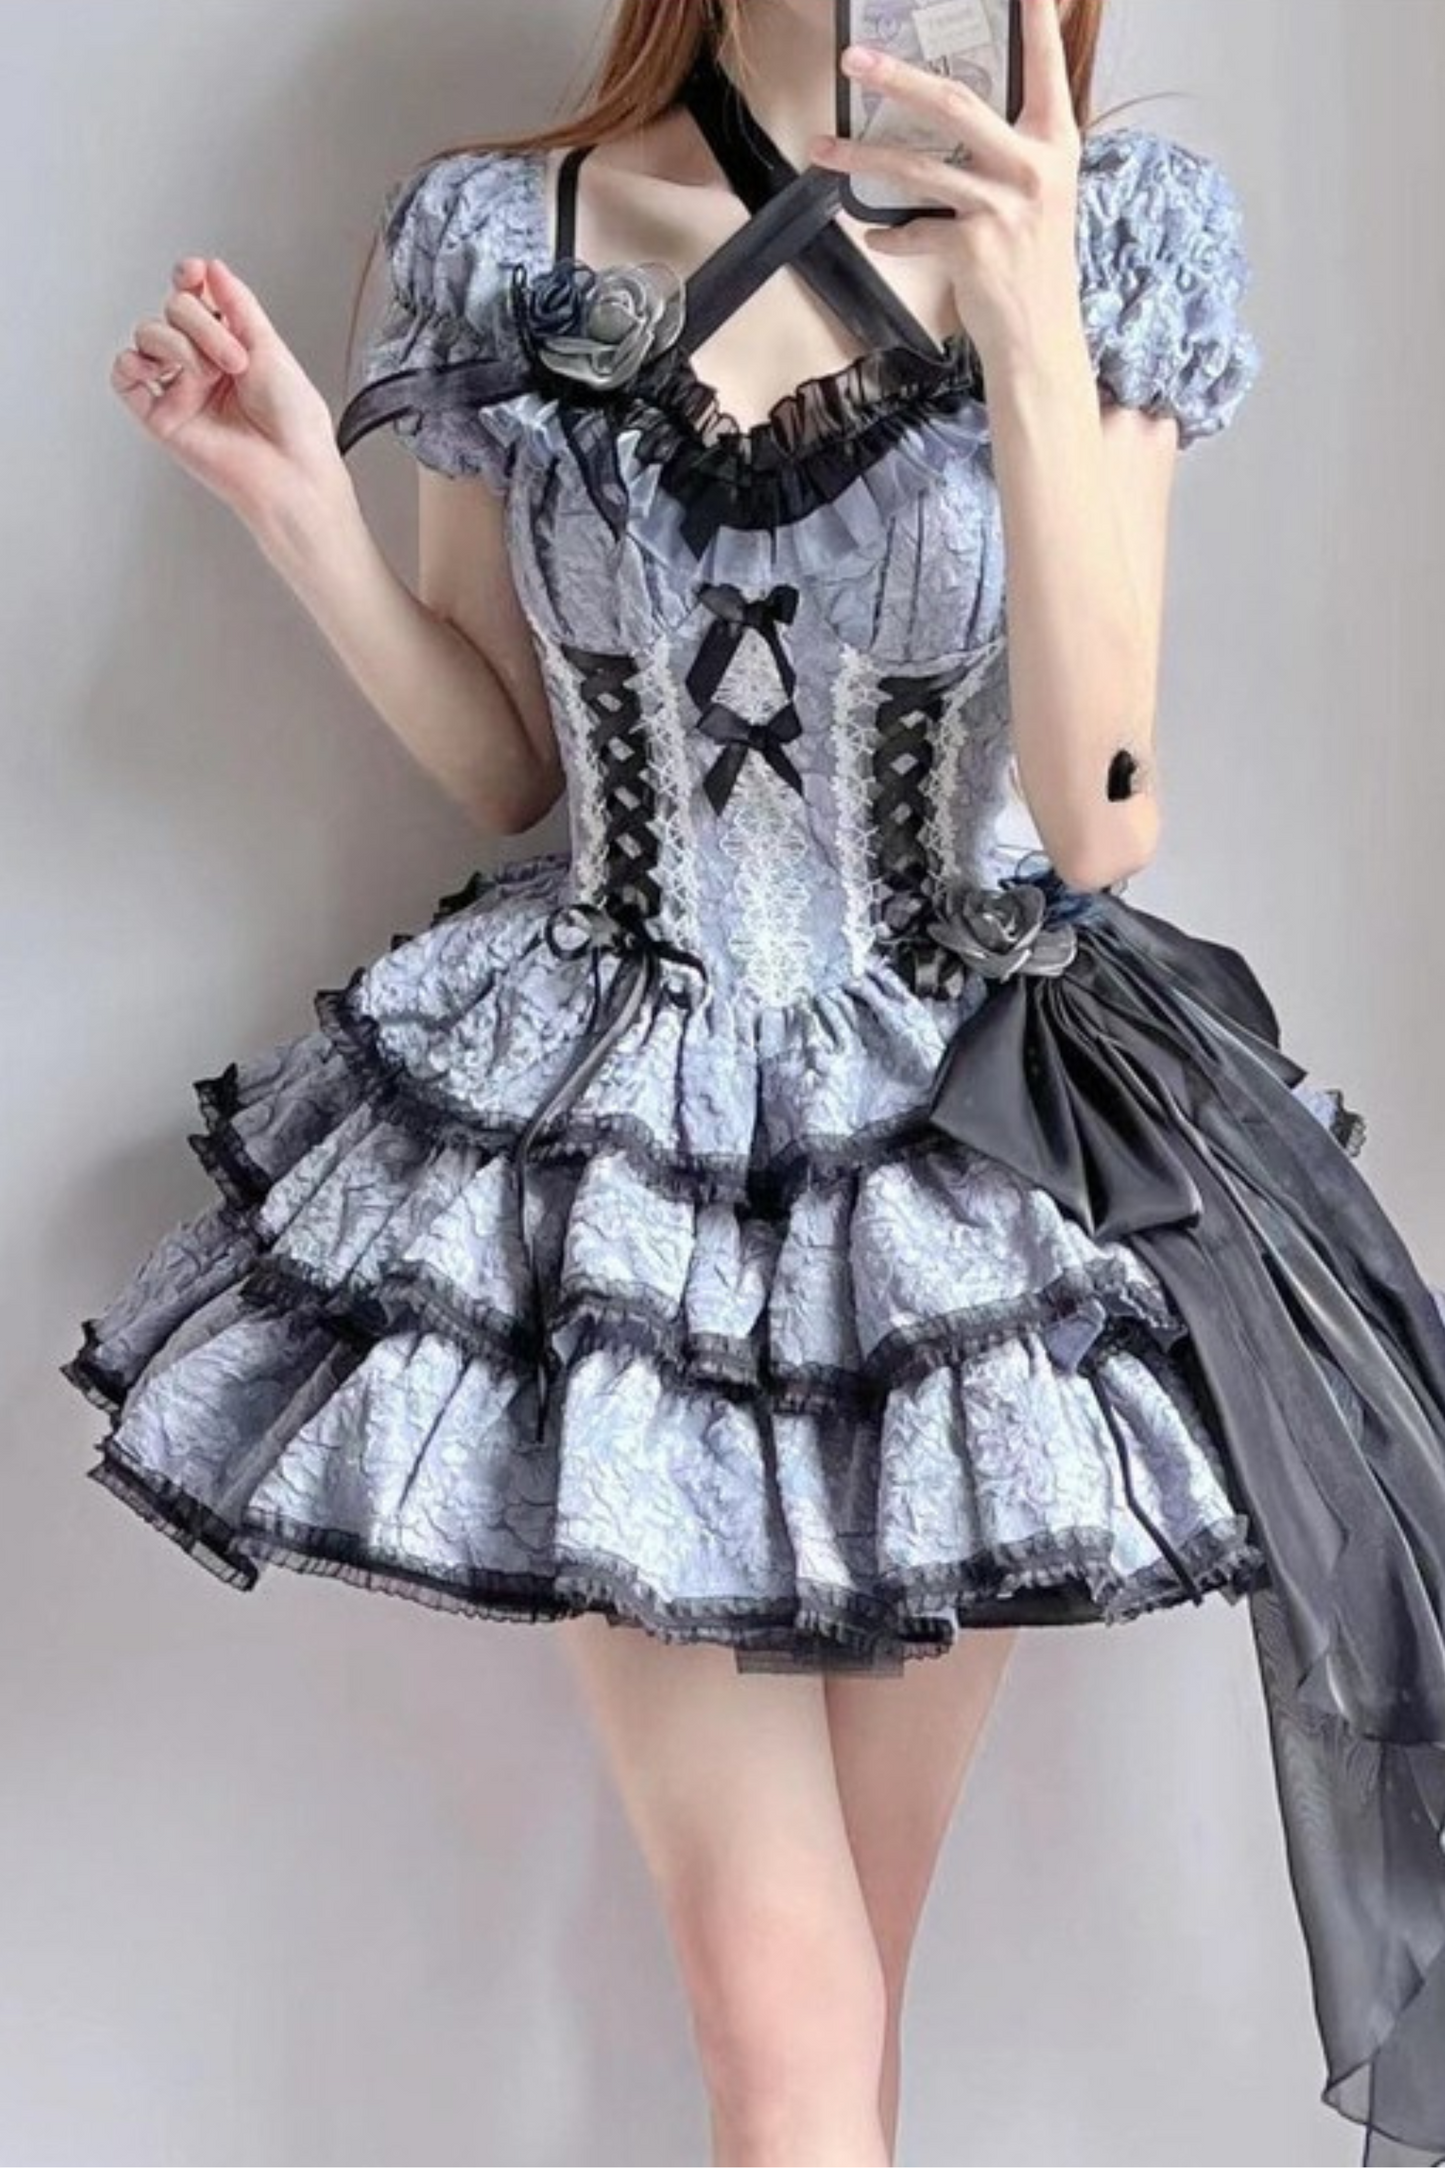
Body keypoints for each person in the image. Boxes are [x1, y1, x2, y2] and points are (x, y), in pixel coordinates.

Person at [70, 0, 1445, 2162]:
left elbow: (1098, 815)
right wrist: (299, 516)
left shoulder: (1112, 236)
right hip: (617, 1158)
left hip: (956, 1174)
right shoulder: (499, 235)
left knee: (828, 2031)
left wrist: (1025, 320)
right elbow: (510, 764)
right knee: (793, 2031)